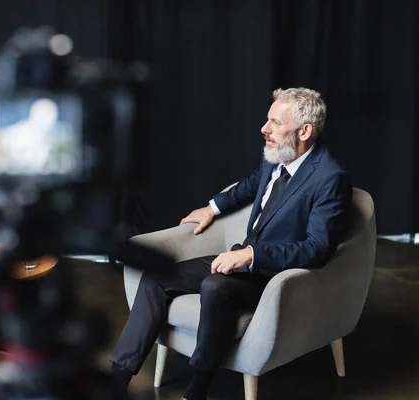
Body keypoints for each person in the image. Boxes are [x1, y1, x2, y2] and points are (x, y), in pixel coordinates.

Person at [109, 87, 353, 400]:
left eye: (275, 123)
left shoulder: (330, 178)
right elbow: (249, 186)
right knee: (156, 276)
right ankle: (117, 381)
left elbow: (317, 250)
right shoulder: (277, 154)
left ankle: (197, 389)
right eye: (268, 120)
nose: (264, 129)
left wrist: (252, 255)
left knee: (215, 286)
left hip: (275, 276)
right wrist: (212, 207)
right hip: (242, 259)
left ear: (304, 130)